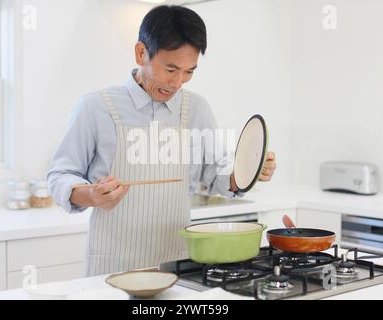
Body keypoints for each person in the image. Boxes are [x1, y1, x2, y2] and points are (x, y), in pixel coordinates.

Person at [47, 5, 276, 277]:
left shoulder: (196, 108)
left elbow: (218, 174)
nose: (178, 82)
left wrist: (250, 170)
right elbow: (60, 174)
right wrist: (91, 195)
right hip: (113, 265)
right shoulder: (96, 107)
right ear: (141, 53)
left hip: (176, 263)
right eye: (170, 69)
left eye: (189, 71)